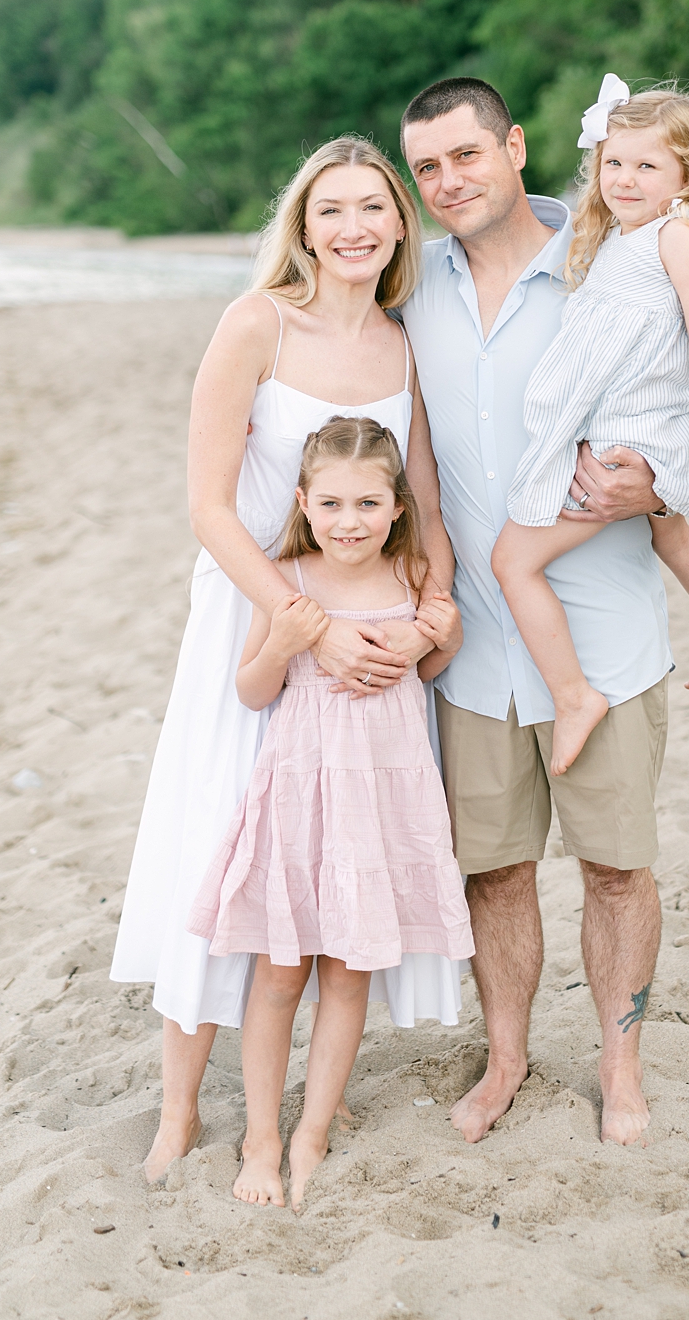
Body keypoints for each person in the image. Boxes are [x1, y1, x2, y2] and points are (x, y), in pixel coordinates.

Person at [109, 137, 466, 1184]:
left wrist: (428, 613)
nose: (353, 228)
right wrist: (300, 619)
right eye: (330, 211)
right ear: (301, 228)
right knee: (217, 846)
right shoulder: (255, 323)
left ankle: (312, 1105)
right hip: (257, 619)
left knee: (330, 858)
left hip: (370, 626)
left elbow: (430, 511)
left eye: (373, 208)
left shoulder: (407, 347)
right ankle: (181, 1109)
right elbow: (210, 508)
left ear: (401, 224)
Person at [395, 76, 673, 1147]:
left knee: (616, 867)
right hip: (470, 642)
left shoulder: (618, 262)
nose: (447, 180)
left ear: (513, 147)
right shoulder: (408, 286)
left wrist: (657, 483)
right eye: (426, 166)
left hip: (602, 634)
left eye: (465, 154)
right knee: (495, 869)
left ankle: (621, 1063)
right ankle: (506, 1056)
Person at [187, 417, 473, 1207]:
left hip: (382, 800)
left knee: (349, 972)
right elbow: (251, 690)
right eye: (335, 503)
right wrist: (284, 642)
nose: (351, 521)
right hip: (301, 797)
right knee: (280, 974)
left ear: (397, 506)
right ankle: (261, 1138)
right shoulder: (291, 579)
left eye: (369, 503)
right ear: (306, 502)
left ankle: (312, 1131)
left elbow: (431, 671)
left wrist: (440, 639)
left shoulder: (414, 575)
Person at [492, 74, 689, 777]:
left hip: (631, 436)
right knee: (668, 528)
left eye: (647, 165)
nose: (626, 178)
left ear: (686, 175)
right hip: (627, 424)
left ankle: (574, 695)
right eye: (614, 162)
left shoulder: (676, 237)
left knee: (512, 562)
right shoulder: (617, 238)